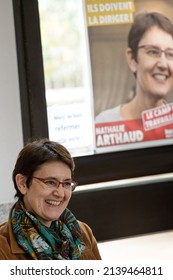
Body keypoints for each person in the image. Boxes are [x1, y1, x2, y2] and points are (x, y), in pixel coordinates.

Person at [0, 138, 101, 260]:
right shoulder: (3, 248)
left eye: (66, 184)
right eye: (50, 182)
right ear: (22, 183)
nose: (60, 193)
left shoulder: (83, 233)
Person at [95, 11, 173, 123]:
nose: (163, 64)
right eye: (152, 52)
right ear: (132, 59)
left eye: (170, 54)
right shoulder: (104, 124)